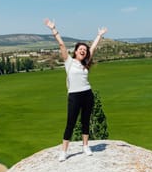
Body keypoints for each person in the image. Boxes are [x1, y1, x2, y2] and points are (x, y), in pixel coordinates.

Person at [44, 18, 108, 162]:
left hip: (87, 94)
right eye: (81, 50)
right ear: (76, 51)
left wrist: (99, 35)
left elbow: (93, 48)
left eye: (85, 51)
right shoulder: (69, 62)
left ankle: (85, 146)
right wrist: (54, 29)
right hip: (74, 96)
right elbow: (61, 44)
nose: (83, 51)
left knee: (86, 121)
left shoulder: (86, 64)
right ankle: (64, 151)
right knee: (70, 123)